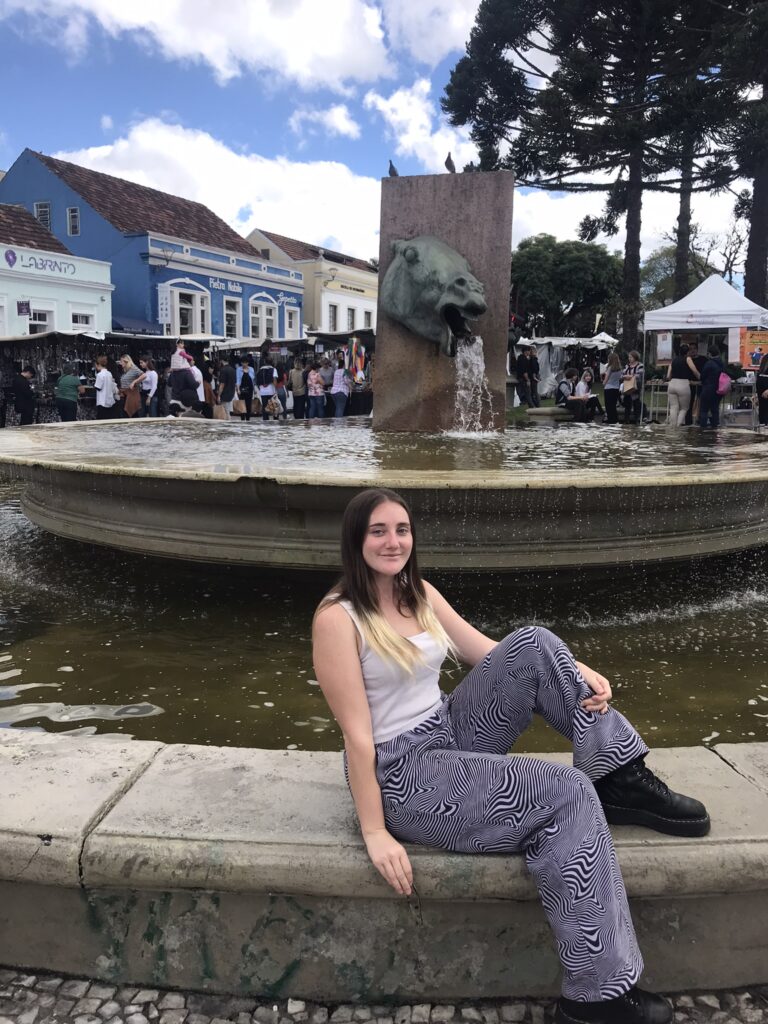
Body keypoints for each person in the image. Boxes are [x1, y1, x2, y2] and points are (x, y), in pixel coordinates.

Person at [313, 489, 709, 1024]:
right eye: (378, 530)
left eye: (402, 529)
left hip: (448, 727)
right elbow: (357, 737)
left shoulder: (418, 593)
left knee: (536, 643)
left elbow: (496, 654)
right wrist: (374, 831)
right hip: (403, 772)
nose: (393, 541)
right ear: (355, 539)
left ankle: (618, 773)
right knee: (565, 790)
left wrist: (574, 669)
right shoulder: (338, 619)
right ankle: (596, 999)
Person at [665, 344, 699, 427]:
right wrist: (700, 377)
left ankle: (672, 426)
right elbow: (694, 370)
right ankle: (678, 425)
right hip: (683, 384)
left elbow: (668, 376)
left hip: (672, 384)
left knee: (673, 407)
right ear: (687, 352)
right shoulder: (688, 359)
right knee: (684, 408)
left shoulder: (673, 360)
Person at [699, 344, 725, 429]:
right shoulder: (721, 363)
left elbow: (702, 376)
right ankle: (715, 427)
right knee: (715, 409)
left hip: (708, 389)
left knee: (704, 409)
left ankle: (703, 428)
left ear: (709, 354)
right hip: (718, 389)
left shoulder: (709, 363)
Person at [684, 342, 707, 425]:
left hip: (701, 383)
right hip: (690, 384)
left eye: (694, 349)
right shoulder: (687, 360)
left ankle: (700, 420)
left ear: (697, 350)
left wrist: (702, 380)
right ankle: (688, 421)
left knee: (701, 402)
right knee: (689, 404)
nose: (692, 351)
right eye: (690, 349)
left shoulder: (703, 359)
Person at [621, 351, 644, 425]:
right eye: (629, 357)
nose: (629, 359)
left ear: (635, 357)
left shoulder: (640, 365)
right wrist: (625, 376)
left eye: (631, 357)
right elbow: (622, 374)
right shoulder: (627, 366)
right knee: (627, 404)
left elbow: (640, 374)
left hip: (636, 387)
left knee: (636, 403)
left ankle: (637, 419)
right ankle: (626, 420)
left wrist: (631, 376)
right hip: (628, 387)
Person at [94, 355, 118, 420]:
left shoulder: (100, 375)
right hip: (109, 401)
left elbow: (98, 387)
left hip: (102, 402)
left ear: (97, 364)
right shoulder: (109, 373)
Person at [601, 353, 623, 424]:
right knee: (613, 405)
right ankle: (615, 419)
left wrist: (603, 383)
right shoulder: (619, 369)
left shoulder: (610, 368)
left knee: (608, 405)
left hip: (608, 388)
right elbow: (620, 378)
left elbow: (606, 378)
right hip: (616, 388)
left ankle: (610, 420)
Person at [257, 356, 278, 422]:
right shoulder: (273, 369)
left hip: (263, 392)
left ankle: (266, 420)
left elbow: (257, 381)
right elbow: (274, 380)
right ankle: (275, 419)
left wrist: (260, 388)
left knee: (264, 406)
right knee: (274, 405)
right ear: (272, 362)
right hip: (271, 391)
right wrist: (276, 390)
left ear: (264, 362)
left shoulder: (260, 370)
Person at [757, 353, 768, 427]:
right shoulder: (765, 357)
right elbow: (760, 371)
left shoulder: (765, 357)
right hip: (761, 385)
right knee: (762, 406)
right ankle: (762, 423)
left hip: (764, 385)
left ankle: (764, 423)